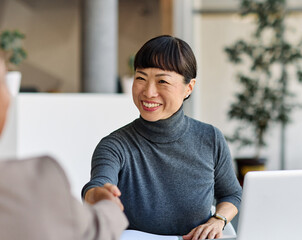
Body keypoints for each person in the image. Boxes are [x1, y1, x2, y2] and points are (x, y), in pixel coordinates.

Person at [82, 35, 242, 240]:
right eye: (140, 78)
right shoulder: (115, 145)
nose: (148, 92)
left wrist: (218, 220)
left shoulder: (210, 138)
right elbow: (97, 186)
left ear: (189, 88)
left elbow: (231, 194)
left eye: (162, 81)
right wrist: (99, 196)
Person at [0, 54, 128, 240]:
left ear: (187, 87)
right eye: (3, 81)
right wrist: (105, 202)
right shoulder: (29, 184)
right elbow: (93, 230)